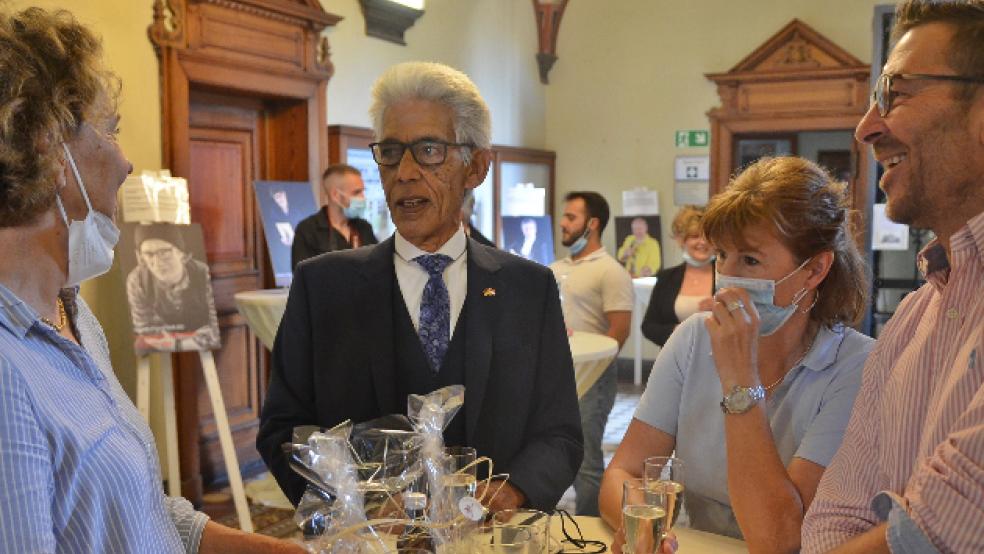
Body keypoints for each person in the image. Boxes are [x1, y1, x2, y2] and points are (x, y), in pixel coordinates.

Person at [0, 7, 302, 553]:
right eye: (111, 131)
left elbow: (139, 511)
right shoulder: (7, 370)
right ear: (49, 145)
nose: (127, 163)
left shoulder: (73, 315)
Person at [256, 61, 583, 513]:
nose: (405, 172)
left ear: (476, 167)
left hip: (488, 538)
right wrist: (357, 506)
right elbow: (283, 429)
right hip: (365, 540)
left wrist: (512, 493)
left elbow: (560, 433)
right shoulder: (323, 288)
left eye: (428, 150)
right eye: (391, 152)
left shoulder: (528, 290)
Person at [599, 157, 873, 553]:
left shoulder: (856, 366)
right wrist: (642, 527)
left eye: (750, 260)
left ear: (814, 270)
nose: (726, 278)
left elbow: (779, 539)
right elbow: (623, 471)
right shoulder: (693, 337)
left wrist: (739, 379)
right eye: (721, 255)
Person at [802, 2, 984, 552]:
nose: (866, 128)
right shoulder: (911, 318)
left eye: (896, 95)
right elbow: (834, 513)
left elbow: (938, 530)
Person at [550, 191, 634, 516]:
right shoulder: (554, 269)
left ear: (593, 224)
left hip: (592, 377)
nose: (563, 223)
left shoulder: (610, 271)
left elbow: (620, 329)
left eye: (571, 217)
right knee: (550, 449)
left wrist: (595, 366)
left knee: (586, 460)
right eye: (564, 216)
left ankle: (589, 528)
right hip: (556, 373)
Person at [126, 224, 220, 353]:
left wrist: (178, 344)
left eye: (164, 252)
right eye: (148, 254)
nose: (157, 262)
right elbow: (145, 329)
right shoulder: (137, 280)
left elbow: (214, 332)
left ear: (180, 253)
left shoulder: (203, 274)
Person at [640, 206, 715, 347]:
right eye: (695, 236)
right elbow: (648, 326)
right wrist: (678, 332)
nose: (703, 242)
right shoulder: (666, 278)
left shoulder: (728, 277)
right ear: (681, 240)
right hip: (675, 356)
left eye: (708, 237)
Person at [290, 164, 378, 269]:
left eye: (363, 191)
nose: (363, 197)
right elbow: (302, 275)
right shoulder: (308, 230)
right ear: (335, 195)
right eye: (356, 192)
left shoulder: (364, 227)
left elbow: (377, 268)